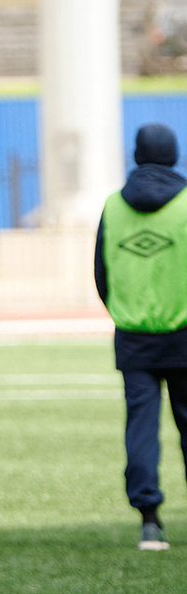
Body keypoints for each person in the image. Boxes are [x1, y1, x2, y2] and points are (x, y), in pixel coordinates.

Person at [95, 122, 187, 552]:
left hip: (133, 338)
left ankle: (150, 521)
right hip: (184, 335)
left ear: (136, 155)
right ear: (174, 156)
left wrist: (124, 313)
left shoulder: (113, 206)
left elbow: (101, 273)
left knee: (141, 430)